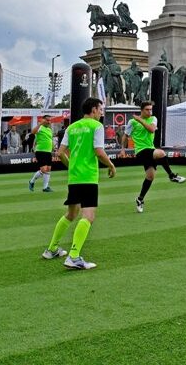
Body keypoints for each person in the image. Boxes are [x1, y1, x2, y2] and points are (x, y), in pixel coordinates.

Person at [42, 97, 116, 269]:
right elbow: (98, 151)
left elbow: (60, 153)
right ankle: (74, 256)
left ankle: (52, 249)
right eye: (100, 109)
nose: (101, 112)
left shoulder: (71, 127)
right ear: (93, 109)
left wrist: (72, 167)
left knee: (71, 214)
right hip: (88, 177)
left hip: (74, 178)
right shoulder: (96, 126)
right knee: (88, 216)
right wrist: (111, 165)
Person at [129, 101, 186, 214]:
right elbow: (126, 135)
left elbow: (151, 129)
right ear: (142, 110)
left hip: (150, 149)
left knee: (150, 177)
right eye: (147, 110)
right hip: (140, 150)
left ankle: (139, 199)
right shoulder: (132, 122)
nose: (150, 112)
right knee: (161, 153)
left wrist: (139, 120)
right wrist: (121, 149)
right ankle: (171, 176)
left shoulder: (153, 119)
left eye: (151, 109)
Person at [28, 114, 56, 193]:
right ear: (43, 120)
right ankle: (32, 181)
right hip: (40, 151)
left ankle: (45, 187)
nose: (49, 122)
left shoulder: (49, 130)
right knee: (44, 170)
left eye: (50, 120)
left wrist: (54, 149)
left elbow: (50, 140)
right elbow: (33, 132)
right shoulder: (40, 127)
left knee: (48, 169)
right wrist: (40, 123)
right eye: (47, 120)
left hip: (48, 151)